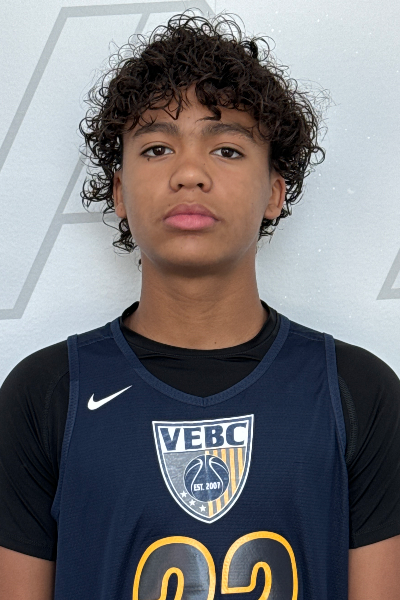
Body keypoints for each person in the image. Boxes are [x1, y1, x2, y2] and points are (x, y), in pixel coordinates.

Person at [0, 11, 399, 600]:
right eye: (157, 147)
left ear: (274, 191)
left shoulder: (357, 392)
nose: (189, 173)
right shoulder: (44, 395)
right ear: (119, 193)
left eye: (228, 150)